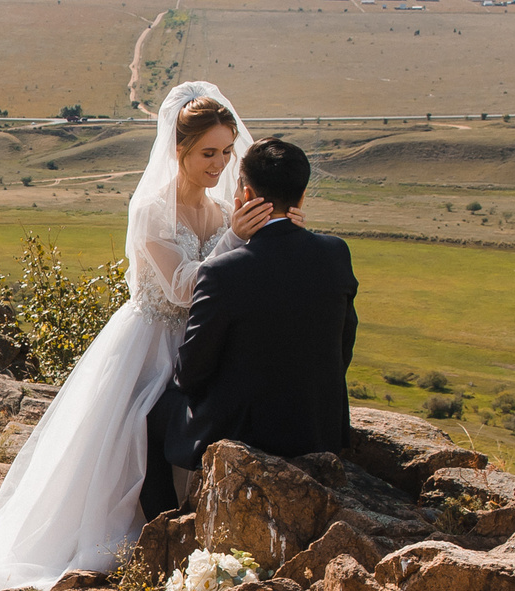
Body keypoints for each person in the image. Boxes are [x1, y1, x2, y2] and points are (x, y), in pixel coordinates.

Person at [0, 81, 297, 591]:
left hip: (197, 342)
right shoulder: (152, 211)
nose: (219, 164)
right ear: (179, 149)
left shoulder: (217, 211)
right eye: (209, 152)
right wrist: (236, 239)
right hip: (147, 344)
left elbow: (236, 278)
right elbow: (186, 285)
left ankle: (183, 534)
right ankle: (131, 535)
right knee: (128, 440)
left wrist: (274, 231)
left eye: (227, 153)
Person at [146, 137, 357, 514]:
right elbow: (343, 347)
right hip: (319, 426)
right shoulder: (336, 252)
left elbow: (192, 373)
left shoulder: (222, 271)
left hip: (245, 433)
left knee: (148, 416)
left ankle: (167, 522)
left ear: (245, 192)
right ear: (303, 196)